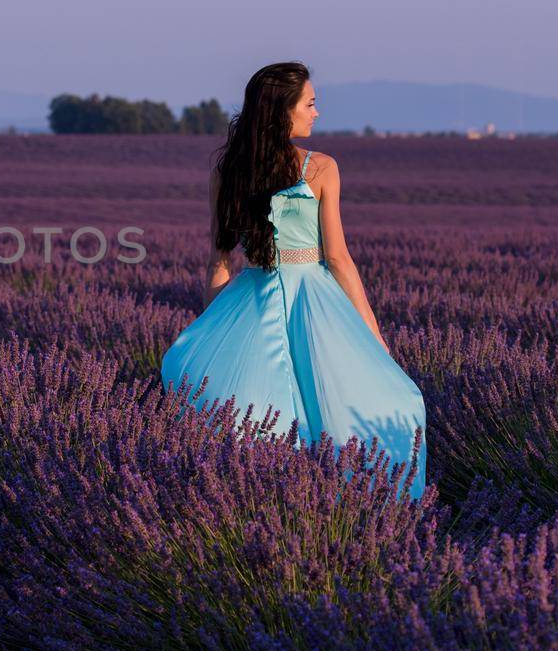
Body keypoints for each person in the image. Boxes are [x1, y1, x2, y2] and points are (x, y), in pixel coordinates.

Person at [159, 61, 427, 501]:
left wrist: (213, 332)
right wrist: (373, 334)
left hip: (249, 299)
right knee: (364, 407)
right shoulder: (321, 168)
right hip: (315, 302)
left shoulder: (227, 173)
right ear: (283, 110)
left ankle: (264, 506)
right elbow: (339, 258)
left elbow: (218, 263)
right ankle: (362, 506)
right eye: (310, 103)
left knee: (252, 418)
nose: (316, 113)